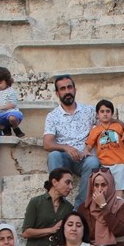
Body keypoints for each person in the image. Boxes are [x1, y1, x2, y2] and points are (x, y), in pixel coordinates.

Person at [43, 75, 103, 207]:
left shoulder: (89, 111)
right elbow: (47, 143)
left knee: (93, 161)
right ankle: (56, 202)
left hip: (84, 158)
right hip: (65, 158)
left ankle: (79, 207)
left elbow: (107, 120)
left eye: (69, 87)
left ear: (75, 89)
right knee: (53, 155)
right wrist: (66, 148)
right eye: (62, 89)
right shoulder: (53, 116)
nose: (67, 91)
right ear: (57, 93)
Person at [78, 169, 124, 246]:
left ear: (110, 185)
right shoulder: (84, 208)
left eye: (103, 185)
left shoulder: (122, 205)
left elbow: (118, 230)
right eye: (96, 185)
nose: (100, 189)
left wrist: (103, 206)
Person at [84, 99, 124, 192]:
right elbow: (89, 144)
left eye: (108, 111)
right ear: (97, 114)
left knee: (119, 190)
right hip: (103, 165)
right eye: (102, 111)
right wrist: (86, 152)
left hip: (119, 163)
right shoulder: (95, 130)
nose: (105, 114)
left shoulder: (119, 127)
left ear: (112, 113)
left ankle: (118, 206)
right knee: (104, 190)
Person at [21, 169, 76, 246]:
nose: (70, 187)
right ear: (55, 182)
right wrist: (51, 230)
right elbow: (26, 232)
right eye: (67, 182)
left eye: (71, 183)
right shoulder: (36, 202)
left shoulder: (68, 207)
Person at [0, 66, 24, 136]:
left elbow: (13, 104)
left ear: (7, 81)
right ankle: (3, 128)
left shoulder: (10, 91)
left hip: (10, 112)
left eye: (0, 83)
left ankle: (15, 128)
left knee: (12, 118)